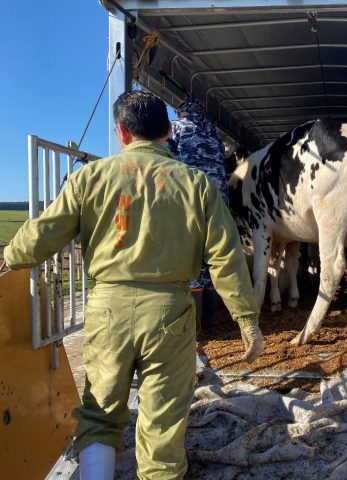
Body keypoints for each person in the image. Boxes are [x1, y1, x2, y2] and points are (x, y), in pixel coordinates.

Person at [3, 90, 263, 480]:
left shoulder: (89, 178)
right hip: (170, 314)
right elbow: (226, 257)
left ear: (122, 133)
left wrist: (8, 257)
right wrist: (247, 320)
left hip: (108, 312)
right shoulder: (197, 185)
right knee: (162, 424)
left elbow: (44, 232)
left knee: (100, 412)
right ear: (168, 131)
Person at [167, 99, 229, 329]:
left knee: (192, 262)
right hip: (218, 202)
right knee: (213, 260)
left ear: (182, 112)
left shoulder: (176, 128)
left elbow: (167, 157)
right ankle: (212, 320)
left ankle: (196, 326)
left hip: (191, 200)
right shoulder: (213, 132)